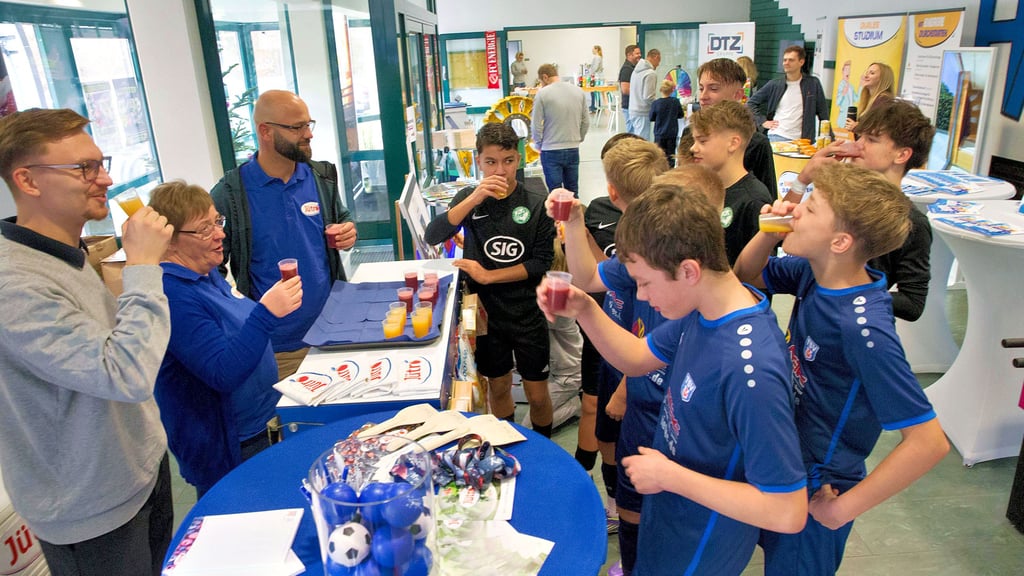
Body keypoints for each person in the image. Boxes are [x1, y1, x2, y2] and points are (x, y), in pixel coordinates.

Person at [539, 184, 808, 576]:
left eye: (645, 283)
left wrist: (672, 476)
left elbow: (787, 510)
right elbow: (636, 358)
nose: (643, 298)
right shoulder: (702, 309)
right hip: (670, 514)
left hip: (701, 544)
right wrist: (583, 308)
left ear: (688, 270)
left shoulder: (752, 369)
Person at [734, 163, 949, 575]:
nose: (797, 210)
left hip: (820, 483)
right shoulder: (815, 274)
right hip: (785, 456)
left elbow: (928, 442)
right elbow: (747, 274)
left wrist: (842, 509)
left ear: (841, 241)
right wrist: (770, 230)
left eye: (810, 209)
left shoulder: (863, 328)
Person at [0, 108, 175, 576]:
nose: (105, 178)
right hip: (88, 509)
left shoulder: (66, 253)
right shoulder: (14, 282)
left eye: (101, 162)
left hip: (136, 472)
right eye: (84, 168)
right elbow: (127, 373)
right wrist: (141, 267)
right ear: (28, 181)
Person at [553, 137, 672, 575]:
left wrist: (627, 386)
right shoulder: (636, 243)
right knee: (629, 482)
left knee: (647, 495)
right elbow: (585, 276)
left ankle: (643, 562)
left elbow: (659, 347)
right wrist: (577, 220)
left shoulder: (663, 254)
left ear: (614, 191)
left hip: (651, 394)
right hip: (627, 369)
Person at [148, 181, 303, 498]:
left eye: (218, 221)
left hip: (262, 428)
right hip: (230, 449)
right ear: (169, 240)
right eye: (204, 229)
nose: (220, 234)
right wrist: (266, 313)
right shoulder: (172, 295)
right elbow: (223, 372)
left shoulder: (207, 274)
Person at [211, 89, 356, 380]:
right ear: (265, 132)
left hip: (333, 329)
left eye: (308, 124)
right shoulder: (230, 193)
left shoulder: (321, 176)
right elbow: (211, 264)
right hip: (277, 347)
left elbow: (342, 220)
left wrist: (348, 232)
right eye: (297, 127)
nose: (308, 134)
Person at [424, 122, 556, 436]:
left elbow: (541, 262)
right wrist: (473, 199)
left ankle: (544, 453)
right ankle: (507, 443)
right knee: (497, 388)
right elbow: (433, 235)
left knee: (537, 395)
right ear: (478, 161)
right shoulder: (470, 197)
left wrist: (489, 275)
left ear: (519, 159)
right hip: (486, 315)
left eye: (508, 161)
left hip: (527, 313)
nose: (501, 170)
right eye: (491, 162)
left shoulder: (536, 202)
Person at [782, 99, 935, 322]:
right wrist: (803, 179)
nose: (857, 146)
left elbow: (913, 303)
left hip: (854, 328)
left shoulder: (912, 223)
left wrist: (846, 291)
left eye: (871, 140)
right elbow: (781, 229)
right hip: (808, 319)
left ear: (901, 155)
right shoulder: (837, 196)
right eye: (860, 136)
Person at [689, 100, 773, 265]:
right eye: (694, 141)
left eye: (703, 141)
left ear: (733, 143)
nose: (693, 148)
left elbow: (758, 269)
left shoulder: (754, 201)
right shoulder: (702, 189)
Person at [678, 58, 777, 196]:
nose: (703, 96)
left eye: (713, 89)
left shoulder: (757, 143)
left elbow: (767, 200)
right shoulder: (689, 133)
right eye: (701, 88)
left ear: (737, 95)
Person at [747, 45, 830, 142]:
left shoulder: (813, 84)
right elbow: (751, 103)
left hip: (804, 140)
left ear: (801, 62)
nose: (786, 63)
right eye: (784, 60)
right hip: (777, 136)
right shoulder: (775, 84)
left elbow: (823, 113)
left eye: (791, 60)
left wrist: (830, 138)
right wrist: (762, 121)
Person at [531, 63, 589, 196]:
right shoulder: (578, 91)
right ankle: (576, 216)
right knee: (573, 191)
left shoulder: (542, 94)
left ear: (545, 77)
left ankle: (558, 217)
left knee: (555, 194)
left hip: (550, 150)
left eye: (540, 82)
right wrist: (579, 138)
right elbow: (586, 121)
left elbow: (536, 125)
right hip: (573, 148)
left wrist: (539, 144)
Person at [844, 62, 895, 132]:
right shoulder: (869, 99)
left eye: (872, 73)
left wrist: (857, 127)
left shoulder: (884, 101)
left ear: (883, 79)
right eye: (867, 73)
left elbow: (879, 130)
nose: (866, 76)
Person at [627, 49, 661, 139]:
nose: (658, 64)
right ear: (656, 57)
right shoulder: (650, 73)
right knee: (642, 143)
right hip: (642, 112)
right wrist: (660, 105)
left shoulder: (636, 70)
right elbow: (648, 97)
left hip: (633, 109)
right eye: (659, 61)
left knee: (636, 140)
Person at [649, 79, 683, 167]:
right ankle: (670, 172)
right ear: (672, 90)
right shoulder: (675, 102)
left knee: (659, 155)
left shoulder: (656, 103)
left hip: (659, 133)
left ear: (661, 90)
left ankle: (660, 171)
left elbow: (651, 117)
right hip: (672, 133)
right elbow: (681, 115)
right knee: (671, 155)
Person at [618, 45, 641, 127]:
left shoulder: (634, 67)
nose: (639, 55)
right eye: (637, 53)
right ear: (629, 55)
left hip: (633, 106)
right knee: (632, 134)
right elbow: (625, 89)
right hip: (629, 107)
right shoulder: (627, 69)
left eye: (639, 53)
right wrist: (641, 94)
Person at [835, 60, 858, 128]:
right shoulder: (841, 85)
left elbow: (856, 99)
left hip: (851, 117)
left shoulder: (851, 86)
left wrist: (861, 86)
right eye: (846, 70)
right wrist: (843, 94)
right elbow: (837, 103)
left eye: (849, 70)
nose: (848, 72)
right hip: (843, 117)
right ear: (843, 71)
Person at [589, 45, 604, 113]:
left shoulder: (597, 57)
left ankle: (595, 106)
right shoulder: (598, 57)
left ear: (596, 49)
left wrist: (591, 73)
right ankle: (595, 106)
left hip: (596, 77)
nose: (592, 50)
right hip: (596, 76)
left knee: (594, 91)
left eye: (593, 49)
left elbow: (596, 67)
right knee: (595, 92)